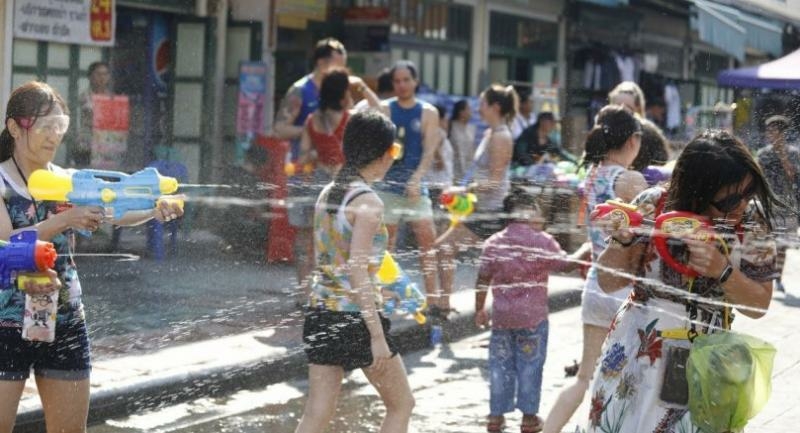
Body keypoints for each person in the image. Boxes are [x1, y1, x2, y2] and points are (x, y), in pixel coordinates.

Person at [0, 81, 182, 433]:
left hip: (65, 318)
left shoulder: (69, 180)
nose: (54, 136)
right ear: (14, 127)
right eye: (44, 127)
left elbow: (114, 210)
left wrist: (153, 209)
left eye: (60, 127)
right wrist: (66, 218)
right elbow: (6, 241)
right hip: (5, 322)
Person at [588, 130, 779, 433]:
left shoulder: (753, 224)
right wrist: (622, 242)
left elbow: (758, 305)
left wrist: (723, 272)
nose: (741, 205)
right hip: (639, 356)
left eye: (748, 192)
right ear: (697, 192)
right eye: (729, 199)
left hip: (707, 364)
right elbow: (608, 282)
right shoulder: (652, 206)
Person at [295, 111, 414, 433]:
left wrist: (387, 286)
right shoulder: (370, 203)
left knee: (317, 413)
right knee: (402, 405)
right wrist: (376, 336)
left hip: (321, 313)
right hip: (357, 320)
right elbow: (357, 270)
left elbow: (331, 259)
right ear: (381, 154)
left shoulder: (327, 193)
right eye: (394, 151)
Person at [543, 105, 647, 433]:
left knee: (584, 376)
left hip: (595, 286)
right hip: (626, 289)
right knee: (631, 379)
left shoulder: (592, 176)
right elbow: (646, 238)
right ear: (633, 140)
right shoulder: (631, 180)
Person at [475, 188, 590, 433]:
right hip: (532, 320)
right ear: (528, 213)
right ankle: (528, 419)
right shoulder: (541, 241)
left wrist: (479, 310)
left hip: (502, 320)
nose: (541, 215)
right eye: (537, 209)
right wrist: (586, 248)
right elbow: (566, 265)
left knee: (500, 366)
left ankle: (495, 417)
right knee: (531, 365)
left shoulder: (494, 243)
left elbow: (482, 278)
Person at [292, 68, 381, 296]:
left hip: (317, 184)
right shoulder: (351, 119)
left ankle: (305, 292)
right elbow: (380, 111)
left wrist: (316, 156)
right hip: (345, 184)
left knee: (308, 239)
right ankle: (341, 290)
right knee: (342, 238)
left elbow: (302, 156)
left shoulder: (312, 120)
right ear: (343, 96)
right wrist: (362, 86)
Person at [435, 84, 518, 318]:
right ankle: (447, 305)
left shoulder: (501, 136)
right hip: (480, 207)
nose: (477, 108)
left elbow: (494, 181)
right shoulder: (491, 133)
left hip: (491, 211)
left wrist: (464, 189)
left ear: (495, 107)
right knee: (455, 249)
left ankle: (446, 306)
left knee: (447, 248)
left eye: (482, 103)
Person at [376, 61, 440, 309]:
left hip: (416, 187)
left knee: (428, 242)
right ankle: (385, 297)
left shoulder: (428, 112)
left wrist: (416, 178)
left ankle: (433, 300)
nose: (402, 85)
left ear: (415, 81)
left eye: (406, 80)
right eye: (397, 81)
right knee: (386, 245)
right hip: (387, 187)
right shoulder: (385, 108)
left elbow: (429, 150)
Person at [273, 38, 347, 150]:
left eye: (343, 67)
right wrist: (312, 130)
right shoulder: (300, 90)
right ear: (321, 62)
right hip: (303, 161)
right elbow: (279, 130)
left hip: (332, 162)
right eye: (337, 66)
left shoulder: (341, 90)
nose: (341, 71)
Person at [757, 115, 800, 293]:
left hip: (786, 206)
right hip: (766, 204)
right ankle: (764, 275)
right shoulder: (763, 154)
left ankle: (778, 277)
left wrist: (782, 154)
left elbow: (792, 176)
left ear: (783, 134)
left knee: (782, 245)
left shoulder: (793, 153)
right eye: (769, 131)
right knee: (765, 241)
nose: (770, 135)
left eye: (774, 131)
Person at [424, 105, 454, 234]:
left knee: (438, 221)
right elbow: (438, 161)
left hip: (437, 185)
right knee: (439, 223)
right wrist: (438, 158)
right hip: (438, 185)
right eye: (445, 119)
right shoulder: (438, 133)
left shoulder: (434, 133)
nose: (447, 122)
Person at [76, 61, 112, 167]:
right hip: (86, 147)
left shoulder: (112, 98)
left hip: (107, 148)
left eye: (105, 74)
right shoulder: (83, 97)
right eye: (98, 74)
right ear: (90, 77)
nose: (102, 78)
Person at [513, 112, 577, 167]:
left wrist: (576, 161)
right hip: (517, 167)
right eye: (551, 122)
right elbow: (521, 153)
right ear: (542, 121)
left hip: (534, 171)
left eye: (554, 122)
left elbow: (560, 152)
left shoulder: (549, 140)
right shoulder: (528, 134)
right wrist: (534, 164)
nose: (553, 125)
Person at [449, 99, 476, 182]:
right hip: (453, 173)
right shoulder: (450, 127)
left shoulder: (471, 129)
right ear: (461, 112)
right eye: (468, 109)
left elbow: (472, 152)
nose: (471, 111)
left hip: (468, 174)